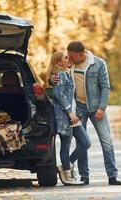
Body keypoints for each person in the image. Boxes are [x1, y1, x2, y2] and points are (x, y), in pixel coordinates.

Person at [50, 41, 121, 185]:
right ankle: (84, 176)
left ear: (81, 54)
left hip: (96, 107)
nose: (69, 59)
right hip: (79, 108)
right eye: (68, 56)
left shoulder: (98, 63)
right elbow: (59, 79)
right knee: (81, 142)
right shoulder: (70, 65)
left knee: (106, 140)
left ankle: (112, 176)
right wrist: (50, 80)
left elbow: (106, 87)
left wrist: (102, 107)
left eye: (72, 56)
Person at [46, 50, 91, 186]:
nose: (69, 58)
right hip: (66, 117)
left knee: (85, 143)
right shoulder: (61, 75)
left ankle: (65, 166)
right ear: (59, 62)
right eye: (66, 57)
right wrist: (70, 113)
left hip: (73, 116)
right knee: (66, 146)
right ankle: (67, 175)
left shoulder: (66, 73)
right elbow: (59, 95)